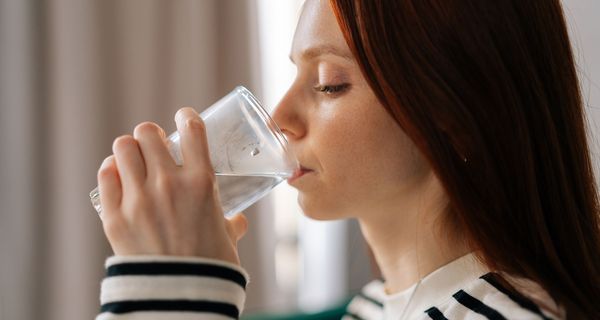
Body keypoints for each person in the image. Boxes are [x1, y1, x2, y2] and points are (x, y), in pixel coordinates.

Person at [94, 0, 600, 319]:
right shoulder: (373, 307)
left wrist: (183, 290)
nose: (279, 117)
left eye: (329, 84)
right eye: (295, 74)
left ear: (456, 117)